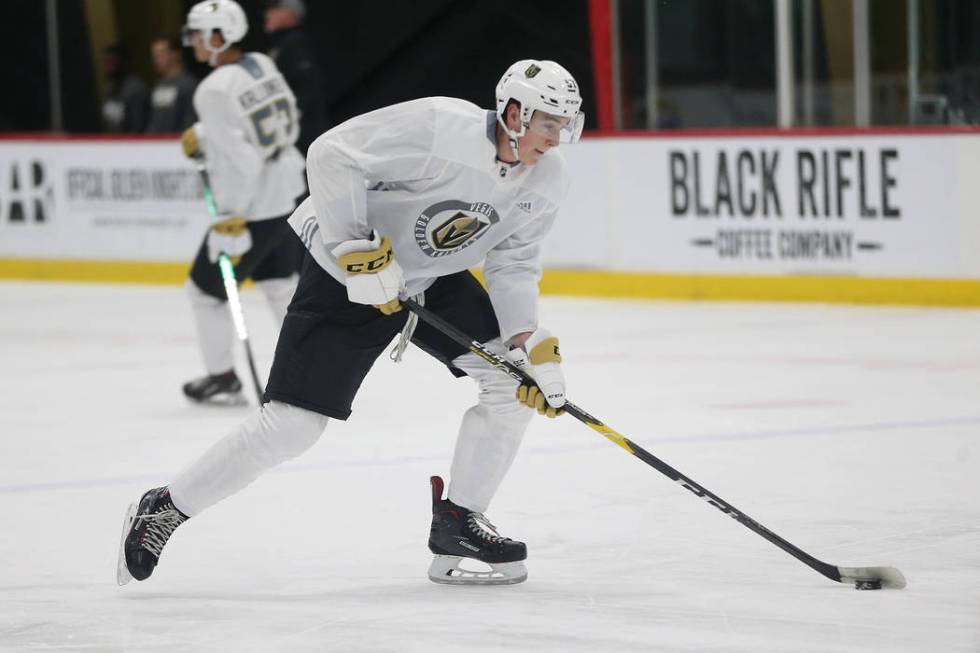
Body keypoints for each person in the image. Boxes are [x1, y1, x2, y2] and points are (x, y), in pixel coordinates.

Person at [117, 57, 585, 586]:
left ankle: (459, 520)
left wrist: (527, 344)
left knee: (510, 380)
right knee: (292, 428)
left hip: (432, 275)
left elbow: (514, 262)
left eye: (566, 124)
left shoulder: (548, 178)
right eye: (549, 122)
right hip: (348, 268)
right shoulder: (438, 126)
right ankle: (167, 506)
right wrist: (352, 248)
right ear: (515, 112)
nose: (558, 136)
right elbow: (332, 153)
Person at [176, 0, 306, 404]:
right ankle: (309, 370)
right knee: (281, 287)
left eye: (198, 34)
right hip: (284, 197)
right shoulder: (260, 64)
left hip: (249, 210)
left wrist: (229, 217)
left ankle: (222, 376)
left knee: (204, 291)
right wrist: (206, 131)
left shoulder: (212, 89)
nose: (193, 42)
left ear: (218, 37)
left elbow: (240, 161)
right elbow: (278, 118)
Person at [263, 0, 327, 155]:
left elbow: (306, 87)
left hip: (303, 133)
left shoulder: (295, 42)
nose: (267, 15)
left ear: (289, 13)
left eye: (274, 10)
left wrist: (289, 117)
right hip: (290, 131)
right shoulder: (281, 43)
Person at [146, 36, 198, 133]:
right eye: (154, 56)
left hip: (175, 143)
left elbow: (190, 120)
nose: (156, 60)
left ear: (175, 54)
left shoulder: (189, 85)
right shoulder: (158, 85)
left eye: (160, 55)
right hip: (156, 144)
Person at [101, 43, 149, 133]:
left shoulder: (136, 89)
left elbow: (138, 127)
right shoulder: (109, 88)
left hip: (132, 144)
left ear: (123, 62)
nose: (108, 66)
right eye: (106, 61)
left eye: (112, 62)